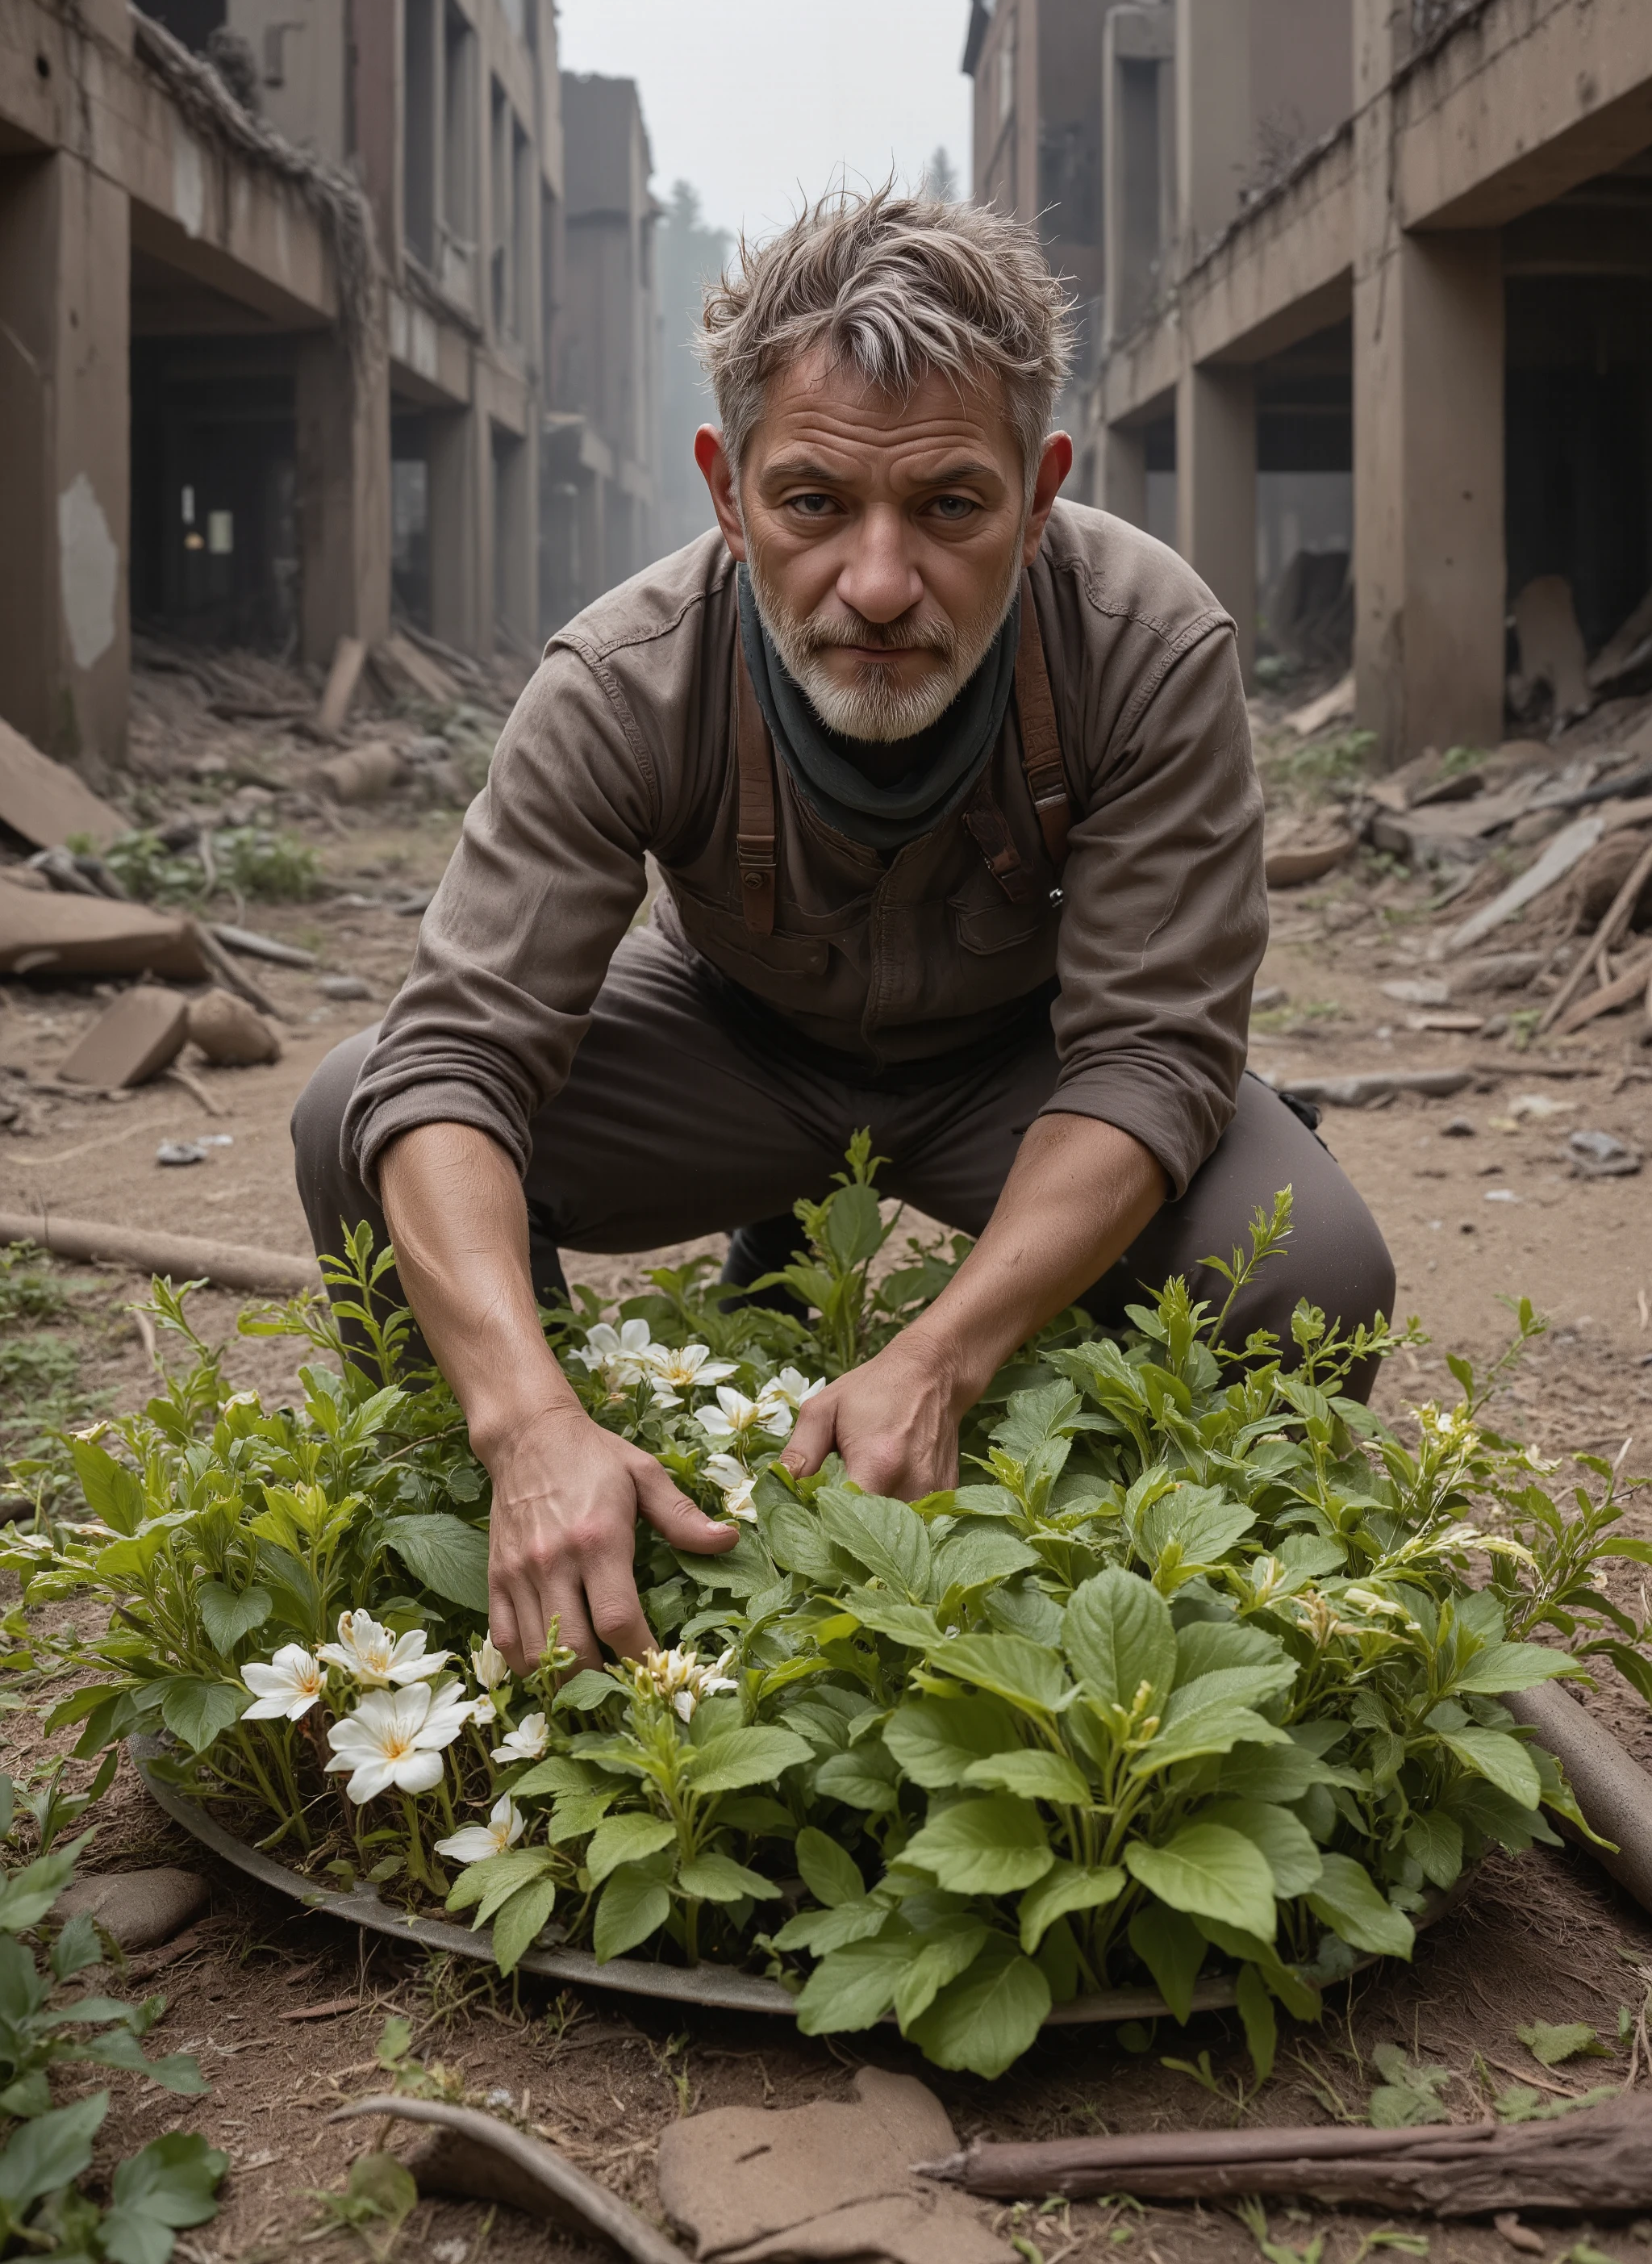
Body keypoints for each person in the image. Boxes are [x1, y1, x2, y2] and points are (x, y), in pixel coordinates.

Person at [292, 186, 1393, 1675]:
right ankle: (517, 1547)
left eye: (950, 506)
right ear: (727, 492)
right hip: (726, 1046)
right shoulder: (621, 681)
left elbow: (1149, 1055)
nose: (879, 586)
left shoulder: (1148, 645)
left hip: (1021, 1072)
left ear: (1042, 486)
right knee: (353, 1112)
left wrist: (943, 1351)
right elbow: (451, 1062)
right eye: (814, 503)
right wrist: (530, 1419)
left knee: (1309, 1265)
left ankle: (1176, 1617)